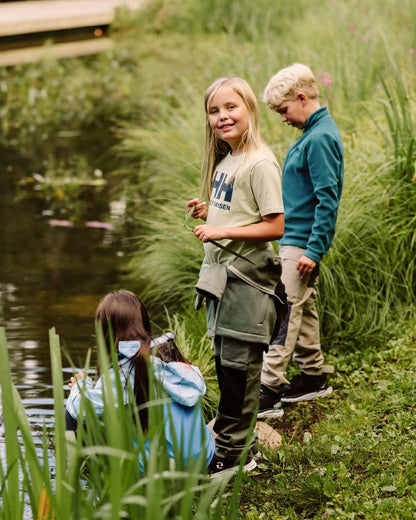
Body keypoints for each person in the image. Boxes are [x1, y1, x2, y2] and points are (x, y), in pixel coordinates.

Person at [186, 77, 285, 476]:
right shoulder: (227, 160)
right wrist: (210, 213)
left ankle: (236, 454)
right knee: (226, 364)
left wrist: (222, 230)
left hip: (248, 282)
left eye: (231, 108)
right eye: (214, 110)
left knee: (241, 369)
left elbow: (275, 226)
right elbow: (239, 213)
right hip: (222, 280)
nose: (222, 117)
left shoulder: (259, 162)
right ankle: (230, 443)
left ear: (249, 110)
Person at [258, 63, 344, 418]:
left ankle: (269, 389)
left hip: (302, 244)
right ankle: (313, 376)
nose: (283, 118)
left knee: (284, 314)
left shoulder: (321, 138)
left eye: (283, 110)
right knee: (303, 309)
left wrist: (314, 249)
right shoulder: (313, 133)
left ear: (302, 98)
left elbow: (328, 198)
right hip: (295, 241)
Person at [65, 289, 215, 469]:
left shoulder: (123, 372)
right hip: (201, 458)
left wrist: (81, 384)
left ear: (105, 332)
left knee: (72, 411)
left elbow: (81, 409)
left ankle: (74, 476)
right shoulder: (168, 356)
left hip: (161, 468)